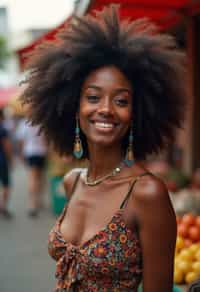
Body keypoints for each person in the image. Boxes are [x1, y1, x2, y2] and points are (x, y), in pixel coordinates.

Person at [21, 5, 187, 292]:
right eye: (93, 97)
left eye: (121, 101)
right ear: (74, 106)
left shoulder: (146, 194)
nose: (106, 109)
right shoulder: (73, 182)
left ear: (137, 112)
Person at [16, 118, 48, 217]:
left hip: (30, 152)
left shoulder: (24, 123)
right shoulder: (43, 122)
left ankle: (32, 205)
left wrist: (21, 154)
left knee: (32, 178)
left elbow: (21, 140)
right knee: (40, 177)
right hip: (42, 152)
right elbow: (47, 139)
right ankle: (38, 200)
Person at [0, 109, 13, 218]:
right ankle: (3, 207)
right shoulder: (2, 129)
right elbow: (7, 146)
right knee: (6, 185)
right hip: (2, 160)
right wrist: (10, 160)